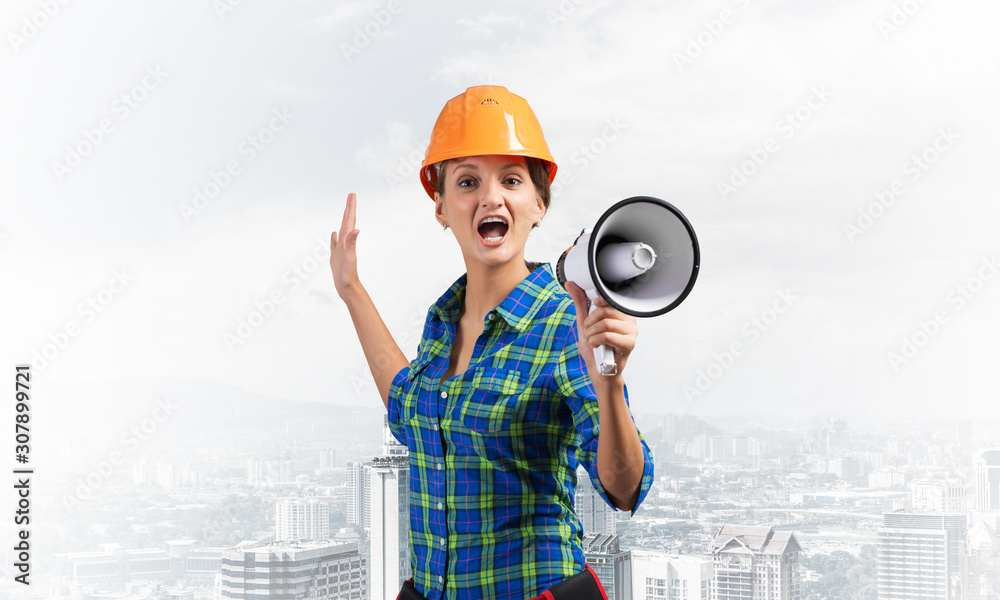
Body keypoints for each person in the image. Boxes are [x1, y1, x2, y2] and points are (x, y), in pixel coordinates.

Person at [329, 85, 654, 600]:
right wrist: (352, 291)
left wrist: (609, 384)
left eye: (511, 180)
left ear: (538, 205)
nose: (490, 197)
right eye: (466, 181)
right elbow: (410, 409)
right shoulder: (443, 320)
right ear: (441, 207)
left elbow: (623, 487)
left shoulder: (567, 322)